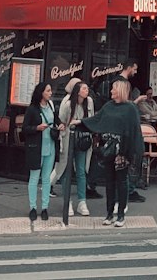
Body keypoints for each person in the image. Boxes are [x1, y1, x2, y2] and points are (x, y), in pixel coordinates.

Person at [80, 78, 144, 228]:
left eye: (113, 89)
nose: (111, 91)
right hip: (108, 148)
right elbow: (97, 120)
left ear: (120, 90)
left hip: (122, 150)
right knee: (109, 182)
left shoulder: (130, 108)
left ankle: (120, 214)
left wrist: (132, 151)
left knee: (122, 181)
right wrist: (80, 123)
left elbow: (135, 131)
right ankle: (109, 214)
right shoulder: (108, 106)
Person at [57, 79, 94, 215]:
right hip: (68, 139)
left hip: (83, 139)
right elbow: (62, 121)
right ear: (77, 91)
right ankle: (68, 201)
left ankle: (82, 201)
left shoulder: (89, 102)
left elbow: (91, 119)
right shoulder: (67, 104)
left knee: (81, 170)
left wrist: (80, 122)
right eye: (84, 88)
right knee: (66, 169)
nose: (87, 91)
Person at [21, 80, 56, 222]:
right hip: (36, 147)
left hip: (50, 145)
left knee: (46, 178)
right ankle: (33, 207)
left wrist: (59, 126)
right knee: (34, 178)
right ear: (41, 93)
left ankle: (45, 207)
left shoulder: (51, 106)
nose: (50, 93)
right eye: (48, 91)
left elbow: (56, 120)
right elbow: (24, 128)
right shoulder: (32, 109)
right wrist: (36, 128)